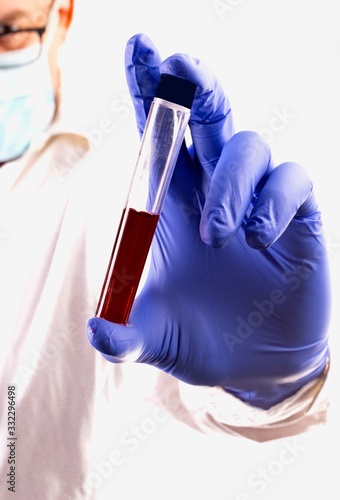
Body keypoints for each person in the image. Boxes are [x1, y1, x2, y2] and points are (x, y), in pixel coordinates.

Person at [0, 0, 334, 498]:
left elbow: (230, 415)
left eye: (6, 29)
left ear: (61, 17)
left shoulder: (110, 206)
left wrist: (279, 378)